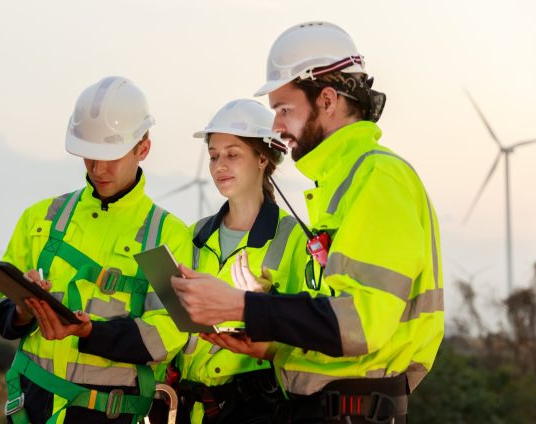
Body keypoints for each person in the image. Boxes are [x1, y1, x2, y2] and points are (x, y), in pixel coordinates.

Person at [172, 22, 444, 423]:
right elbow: (338, 328)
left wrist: (241, 304)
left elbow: (359, 324)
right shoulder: (343, 184)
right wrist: (271, 349)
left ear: (328, 100)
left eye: (284, 109)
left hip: (354, 412)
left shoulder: (377, 179)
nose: (278, 127)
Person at [0, 76, 191, 424]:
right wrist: (22, 310)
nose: (98, 169)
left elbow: (169, 334)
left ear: (143, 149)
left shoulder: (163, 235)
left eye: (110, 156)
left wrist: (90, 333)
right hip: (31, 409)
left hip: (111, 413)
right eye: (89, 156)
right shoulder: (41, 220)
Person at [173, 99, 322, 423]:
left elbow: (313, 334)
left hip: (257, 409)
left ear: (263, 158)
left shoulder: (296, 240)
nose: (218, 166)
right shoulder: (194, 234)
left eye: (232, 154)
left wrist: (265, 306)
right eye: (213, 156)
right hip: (185, 408)